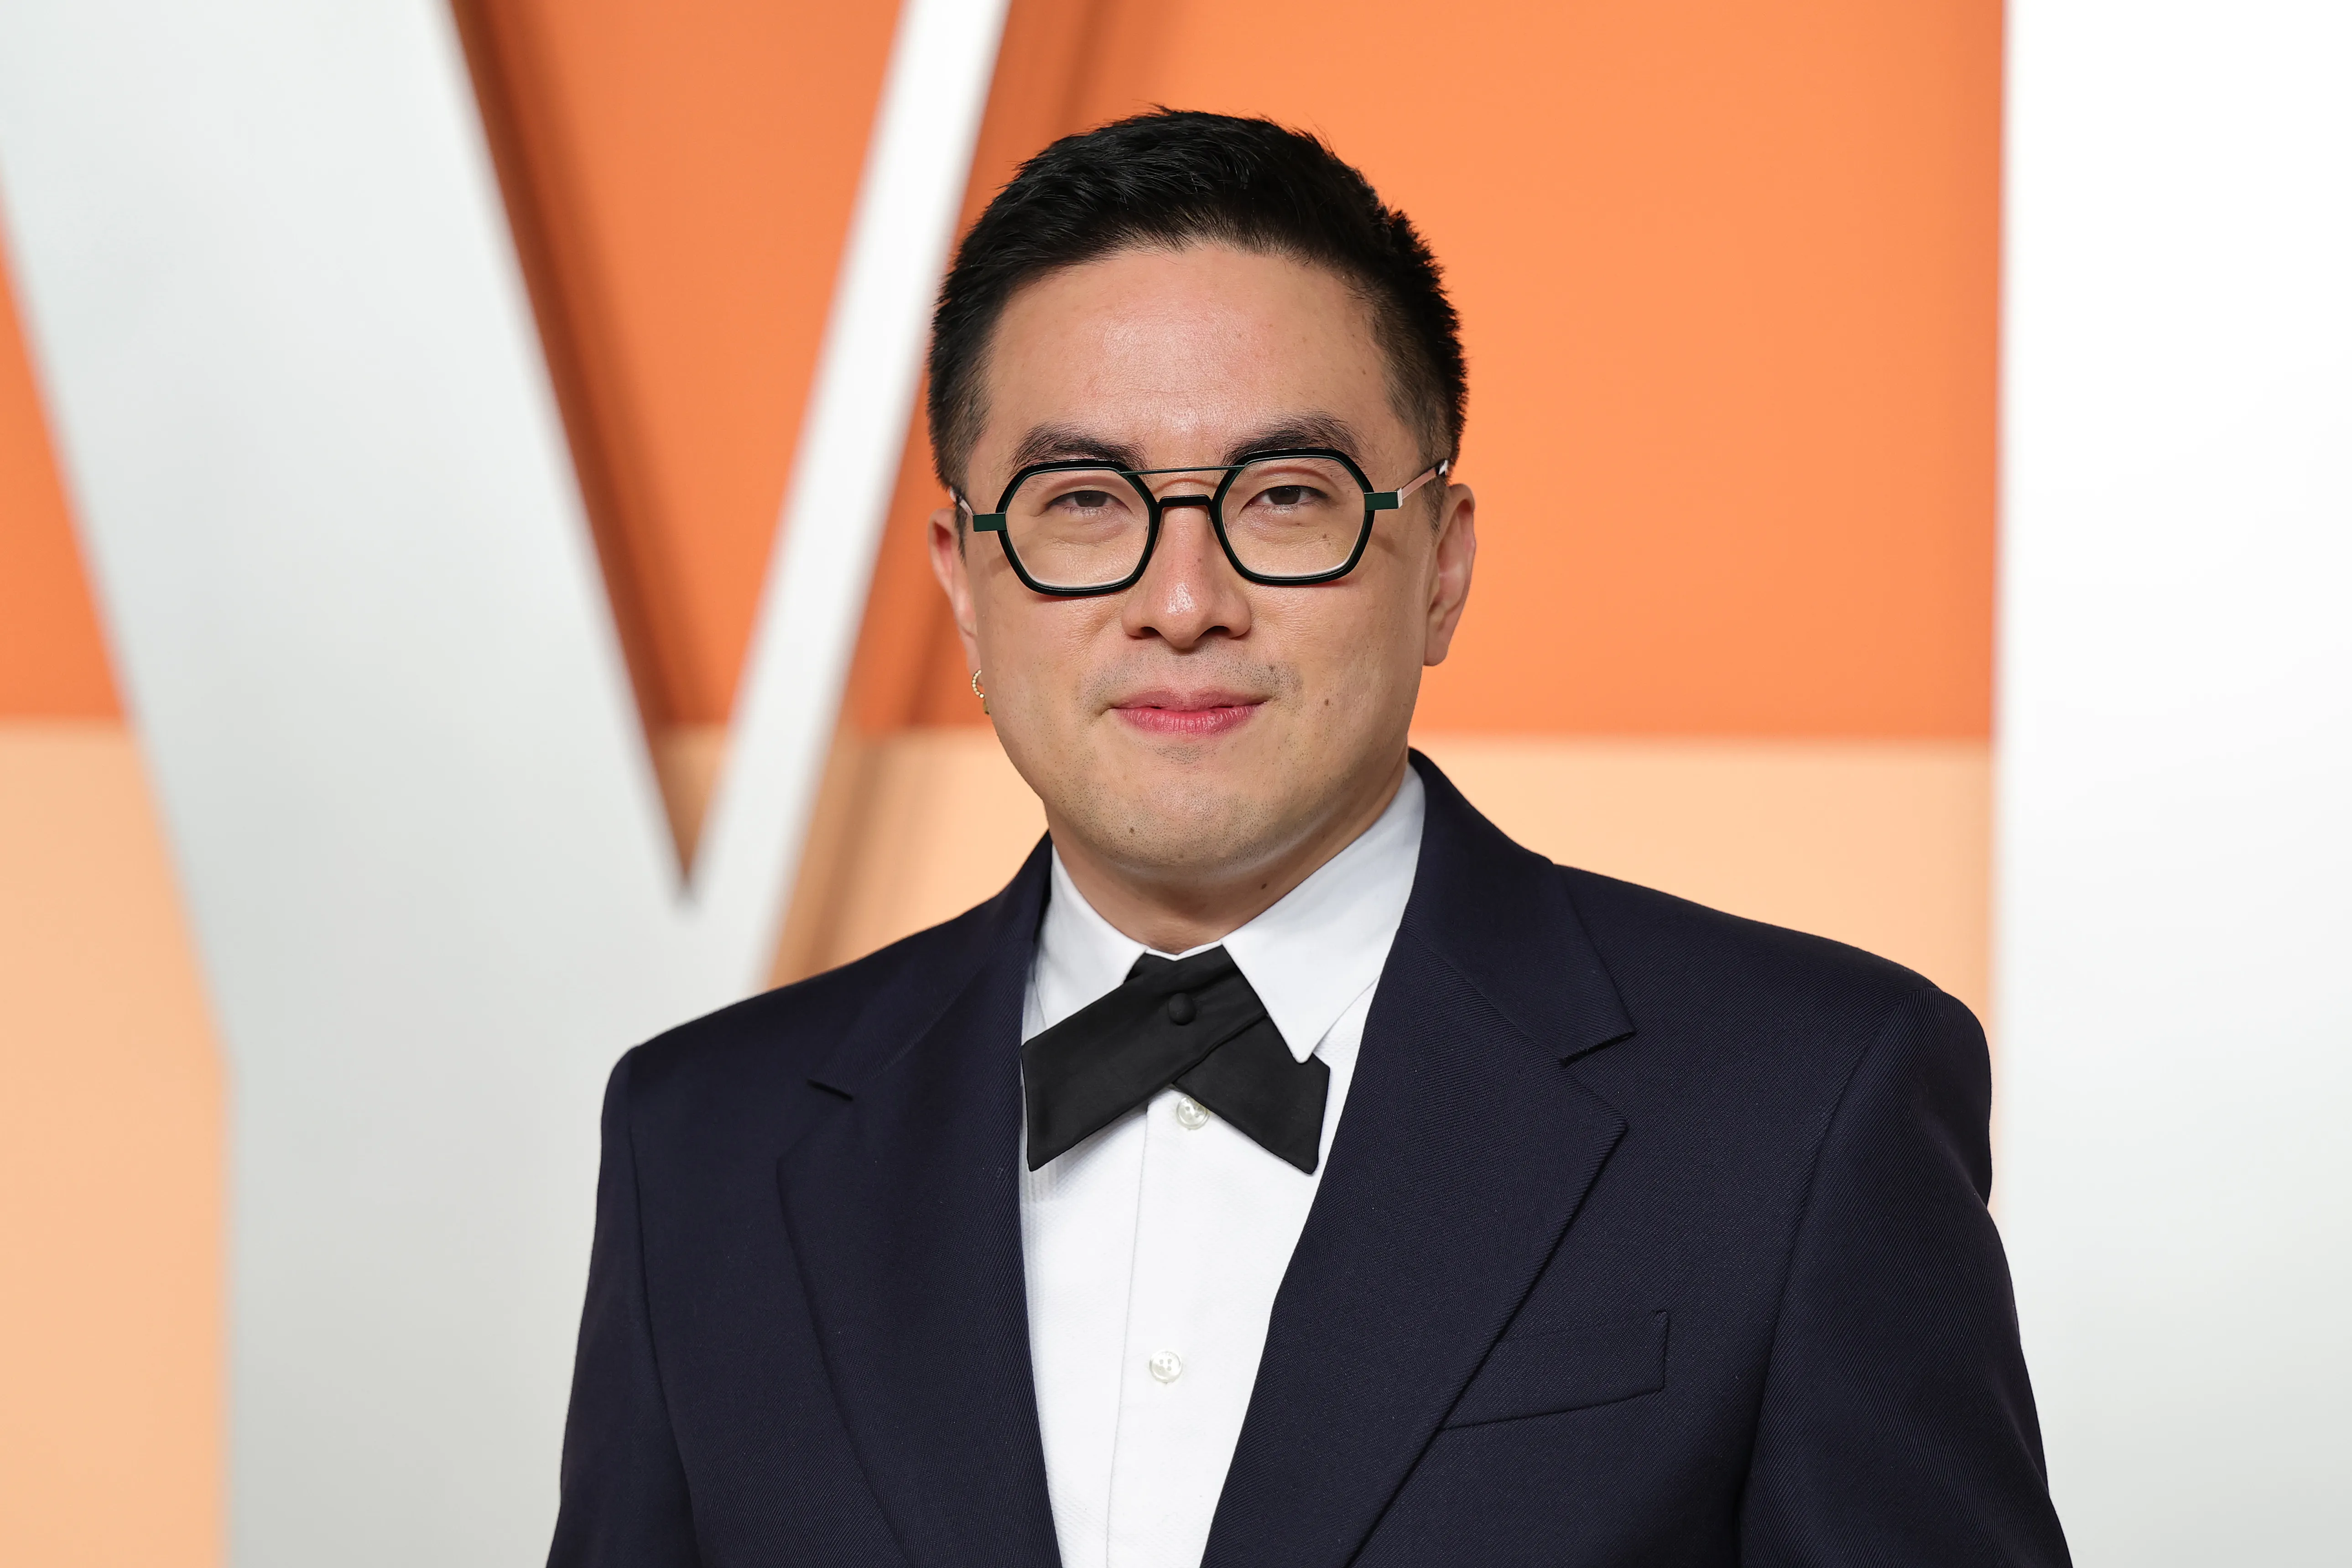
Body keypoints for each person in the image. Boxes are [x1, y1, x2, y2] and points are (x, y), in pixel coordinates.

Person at [547, 110, 2070, 1568]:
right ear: (965, 576)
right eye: (1084, 499)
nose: (1185, 599)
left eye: (1286, 496)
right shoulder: (703, 1146)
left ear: (1442, 565)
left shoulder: (1803, 1104)